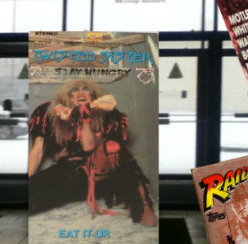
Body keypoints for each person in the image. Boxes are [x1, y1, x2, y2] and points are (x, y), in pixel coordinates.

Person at [28, 78, 157, 227]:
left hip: (96, 175)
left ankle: (141, 204)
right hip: (66, 173)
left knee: (113, 146)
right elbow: (37, 151)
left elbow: (88, 146)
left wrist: (85, 117)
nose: (81, 92)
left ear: (93, 96)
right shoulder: (51, 113)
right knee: (32, 194)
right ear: (69, 97)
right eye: (75, 90)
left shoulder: (105, 114)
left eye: (86, 89)